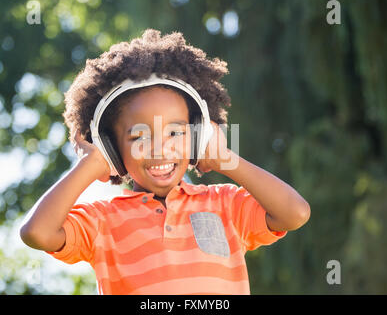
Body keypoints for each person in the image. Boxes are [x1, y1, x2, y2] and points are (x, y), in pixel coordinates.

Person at [20, 29, 310, 295]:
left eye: (175, 132)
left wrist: (227, 161)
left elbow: (294, 213)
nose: (160, 149)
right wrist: (89, 166)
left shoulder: (224, 205)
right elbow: (37, 233)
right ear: (111, 148)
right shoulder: (102, 222)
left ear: (197, 137)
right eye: (139, 136)